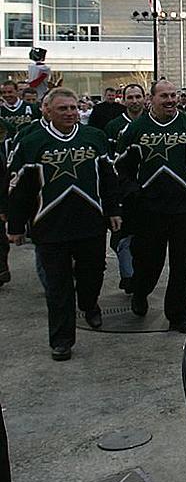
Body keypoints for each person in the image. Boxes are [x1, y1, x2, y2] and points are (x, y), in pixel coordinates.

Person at [6, 88, 121, 360]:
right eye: (63, 109)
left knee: (92, 274)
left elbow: (108, 177)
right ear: (47, 110)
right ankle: (61, 339)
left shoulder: (94, 137)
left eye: (72, 108)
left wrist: (114, 209)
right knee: (58, 287)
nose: (70, 113)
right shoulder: (32, 142)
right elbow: (19, 188)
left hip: (90, 223)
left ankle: (90, 305)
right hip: (50, 226)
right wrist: (15, 225)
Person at [115, 80, 186, 333]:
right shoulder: (135, 130)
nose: (170, 100)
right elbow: (120, 168)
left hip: (185, 208)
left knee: (182, 262)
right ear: (152, 99)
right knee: (149, 261)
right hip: (149, 210)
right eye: (164, 96)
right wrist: (133, 193)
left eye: (174, 95)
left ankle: (177, 313)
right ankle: (140, 291)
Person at [105, 83, 147, 293]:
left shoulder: (152, 122)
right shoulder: (114, 126)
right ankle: (128, 275)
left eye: (138, 96)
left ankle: (140, 274)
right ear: (124, 99)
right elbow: (110, 159)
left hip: (148, 189)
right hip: (123, 189)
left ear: (145, 98)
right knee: (122, 235)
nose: (134, 101)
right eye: (130, 97)